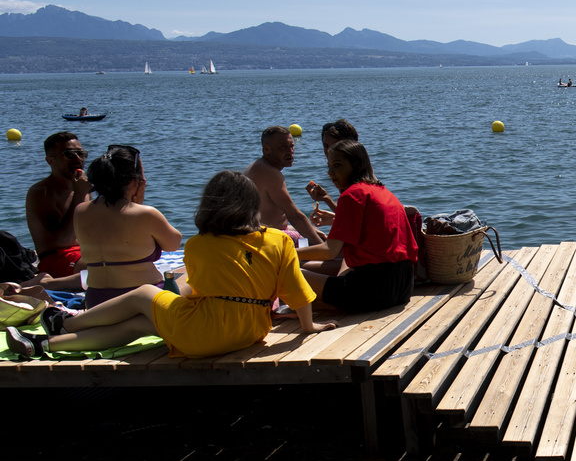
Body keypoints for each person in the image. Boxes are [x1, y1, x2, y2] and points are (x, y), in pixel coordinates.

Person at [7, 171, 334, 359]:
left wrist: (170, 299)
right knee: (136, 325)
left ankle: (64, 325)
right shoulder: (279, 241)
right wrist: (309, 328)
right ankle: (41, 344)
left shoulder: (198, 244)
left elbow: (198, 292)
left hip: (206, 333)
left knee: (143, 296)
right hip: (249, 331)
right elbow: (298, 292)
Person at [297, 141, 419, 313]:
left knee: (290, 273)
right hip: (402, 287)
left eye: (337, 165)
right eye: (329, 166)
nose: (330, 172)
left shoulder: (351, 195)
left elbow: (330, 251)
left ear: (356, 165)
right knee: (309, 267)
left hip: (371, 290)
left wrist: (286, 253)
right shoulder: (383, 192)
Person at [75, 145, 184, 307]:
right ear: (135, 181)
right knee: (188, 275)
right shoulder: (145, 214)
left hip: (96, 301)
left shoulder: (80, 210)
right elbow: (173, 244)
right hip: (141, 303)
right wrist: (138, 204)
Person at [25, 132, 92, 278]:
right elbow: (64, 238)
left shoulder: (83, 187)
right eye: (69, 154)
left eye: (81, 153)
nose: (77, 158)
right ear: (50, 160)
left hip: (84, 252)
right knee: (106, 269)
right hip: (56, 258)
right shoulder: (42, 192)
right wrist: (80, 194)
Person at [244, 125, 324, 245]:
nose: (290, 152)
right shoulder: (270, 173)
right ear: (266, 149)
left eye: (291, 146)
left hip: (264, 232)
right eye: (283, 148)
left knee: (317, 232)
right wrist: (324, 249)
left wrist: (314, 232)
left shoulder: (259, 166)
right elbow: (294, 216)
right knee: (331, 252)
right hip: (265, 238)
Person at [305, 119, 360, 224]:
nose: (329, 150)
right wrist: (327, 199)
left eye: (335, 145)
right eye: (325, 145)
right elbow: (352, 217)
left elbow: (356, 224)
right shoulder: (348, 174)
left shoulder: (355, 180)